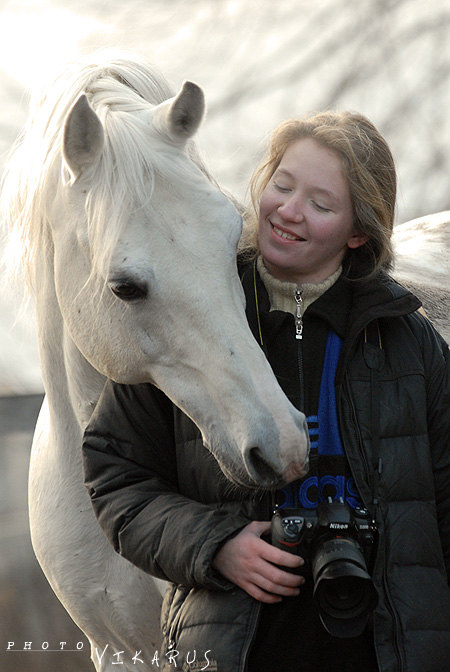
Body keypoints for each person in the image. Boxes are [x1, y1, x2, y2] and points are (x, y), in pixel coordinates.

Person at [82, 111, 450, 672]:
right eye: (282, 184)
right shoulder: (187, 316)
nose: (289, 211)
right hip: (235, 650)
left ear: (358, 231)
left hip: (390, 648)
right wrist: (215, 546)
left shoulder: (409, 340)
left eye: (322, 205)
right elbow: (116, 477)